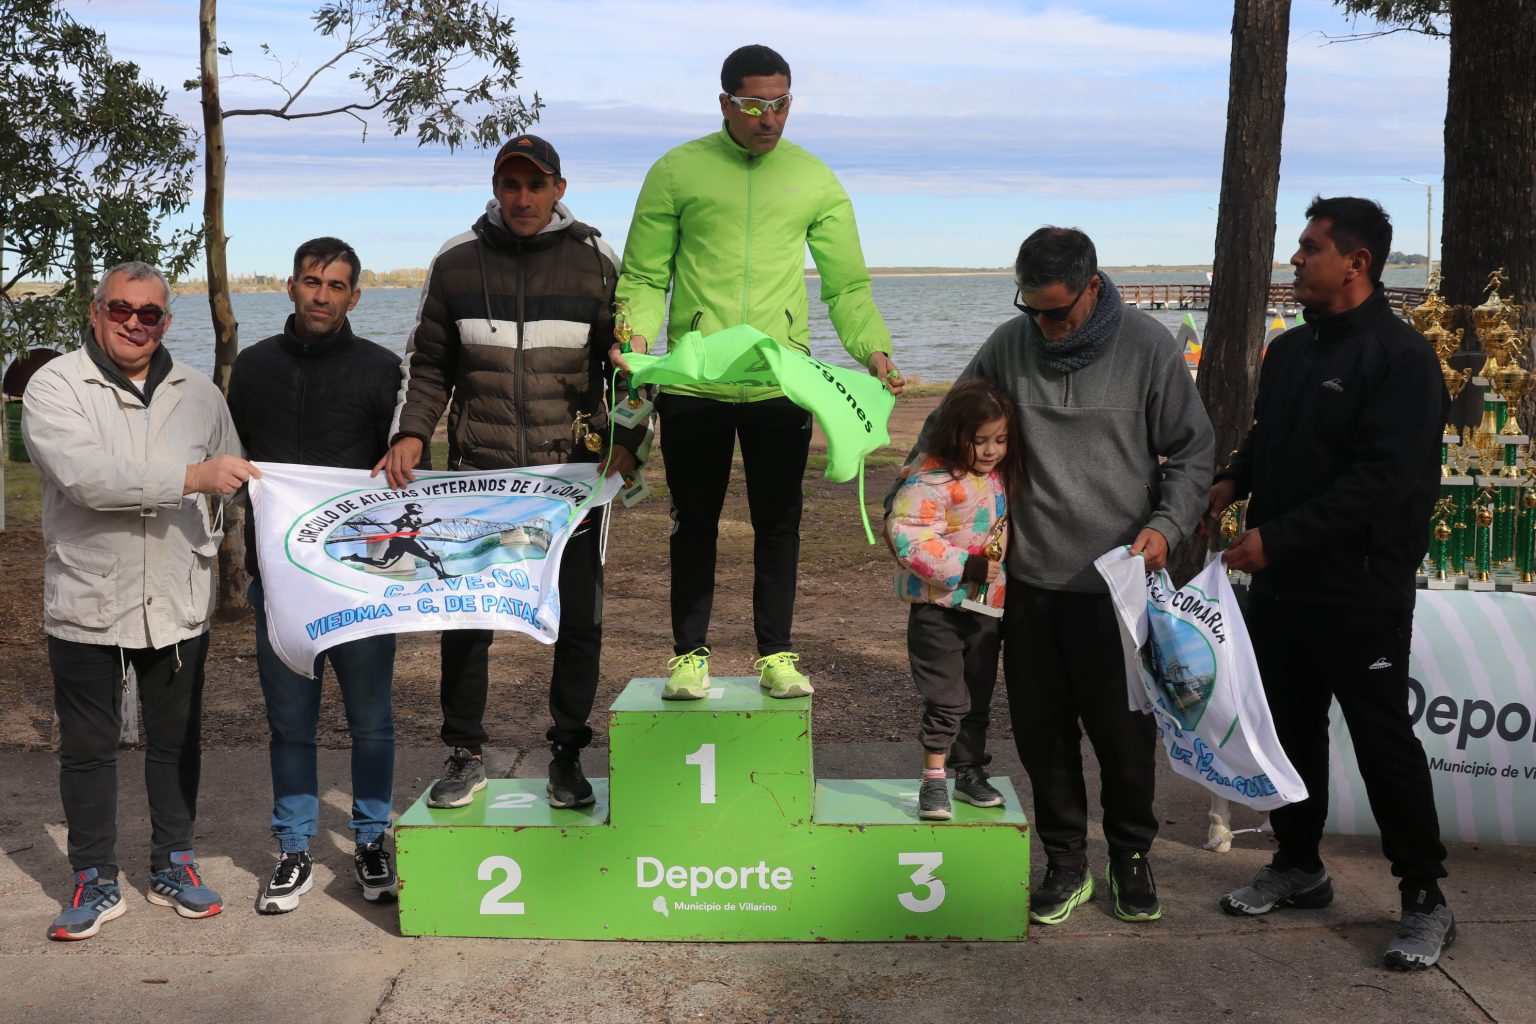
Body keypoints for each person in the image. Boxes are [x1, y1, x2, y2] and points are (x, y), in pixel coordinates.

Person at [895, 227, 1213, 925]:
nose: (1043, 325)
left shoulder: (1147, 347)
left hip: (1117, 589)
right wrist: (913, 494)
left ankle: (1131, 856)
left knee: (1125, 740)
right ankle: (1066, 862)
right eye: (1030, 308)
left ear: (1093, 287)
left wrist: (1166, 526)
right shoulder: (1010, 344)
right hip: (1029, 587)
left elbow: (1193, 453)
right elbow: (946, 427)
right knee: (1044, 737)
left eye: (1057, 312)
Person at [1206, 196, 1454, 970]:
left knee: (1383, 742)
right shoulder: (1289, 351)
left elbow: (1380, 482)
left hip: (1361, 590)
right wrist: (1232, 479)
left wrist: (1276, 539)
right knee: (1289, 732)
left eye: (1310, 247)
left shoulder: (1402, 360)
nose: (1295, 258)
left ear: (1356, 262)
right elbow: (1268, 439)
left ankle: (1424, 896)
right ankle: (1298, 865)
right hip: (1283, 590)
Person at [612, 43, 903, 702]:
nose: (768, 119)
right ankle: (689, 657)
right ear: (725, 103)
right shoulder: (676, 172)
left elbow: (847, 287)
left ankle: (777, 655)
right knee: (694, 523)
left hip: (780, 382)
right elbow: (646, 276)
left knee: (779, 524)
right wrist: (636, 338)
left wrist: (874, 351)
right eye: (752, 105)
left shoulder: (814, 179)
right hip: (695, 381)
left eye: (780, 104)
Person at [374, 134, 644, 811]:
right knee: (466, 618)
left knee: (578, 621)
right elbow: (428, 364)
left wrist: (629, 439)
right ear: (496, 188)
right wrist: (412, 432)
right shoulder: (456, 261)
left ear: (559, 189)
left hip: (571, 483)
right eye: (510, 184)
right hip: (481, 477)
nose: (523, 198)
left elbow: (631, 367)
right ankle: (464, 755)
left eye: (536, 185)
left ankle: (568, 756)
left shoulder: (597, 261)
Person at [24, 261, 255, 940]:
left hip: (177, 596)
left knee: (177, 742)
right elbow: (86, 477)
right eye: (120, 309)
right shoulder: (56, 385)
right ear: (96, 312)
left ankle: (173, 863)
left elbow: (232, 474)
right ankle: (93, 876)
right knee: (87, 748)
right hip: (88, 597)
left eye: (149, 313)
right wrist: (193, 477)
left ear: (166, 322)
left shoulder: (200, 393)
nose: (133, 323)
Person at [227, 237, 405, 914]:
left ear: (354, 296)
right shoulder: (253, 368)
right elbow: (236, 457)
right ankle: (294, 849)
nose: (321, 295)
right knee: (290, 725)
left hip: (360, 584)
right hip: (280, 584)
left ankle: (371, 840)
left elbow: (402, 469)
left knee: (372, 723)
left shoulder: (383, 370)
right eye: (311, 281)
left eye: (335, 285)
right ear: (291, 286)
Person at [885, 379, 1016, 822]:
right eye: (980, 440)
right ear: (954, 433)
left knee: (978, 698)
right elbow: (909, 538)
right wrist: (968, 567)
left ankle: (969, 771)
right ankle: (933, 779)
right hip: (937, 610)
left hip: (984, 609)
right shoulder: (929, 481)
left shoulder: (996, 476)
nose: (991, 450)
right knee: (947, 700)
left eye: (1000, 440)